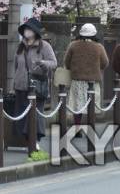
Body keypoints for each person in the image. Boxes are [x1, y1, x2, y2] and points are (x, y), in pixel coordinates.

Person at [11, 17, 57, 145]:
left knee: (35, 115)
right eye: (25, 29)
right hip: (21, 86)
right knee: (23, 115)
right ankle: (27, 141)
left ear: (35, 32)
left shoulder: (44, 46)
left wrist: (43, 63)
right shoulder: (20, 47)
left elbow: (54, 63)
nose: (27, 31)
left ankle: (35, 140)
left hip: (37, 86)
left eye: (29, 29)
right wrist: (14, 84)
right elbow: (16, 66)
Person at [63, 23, 108, 125]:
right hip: (93, 82)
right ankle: (90, 127)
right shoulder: (99, 47)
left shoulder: (73, 45)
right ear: (94, 34)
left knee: (77, 106)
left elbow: (66, 62)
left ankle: (77, 128)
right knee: (92, 105)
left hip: (77, 80)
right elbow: (105, 63)